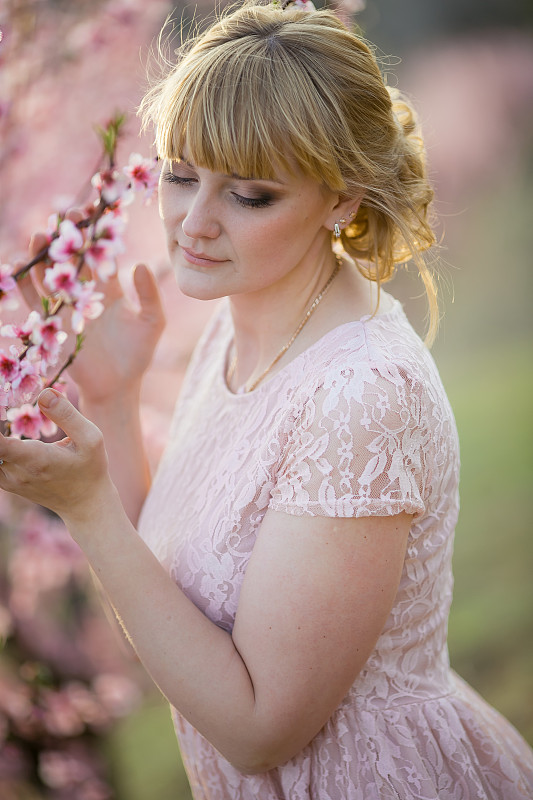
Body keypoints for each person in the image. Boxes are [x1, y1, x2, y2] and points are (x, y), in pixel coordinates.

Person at [1, 1, 533, 798]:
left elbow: (258, 729)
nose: (194, 224)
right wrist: (113, 400)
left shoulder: (361, 398)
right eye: (180, 176)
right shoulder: (242, 325)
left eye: (249, 196)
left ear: (343, 199)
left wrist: (86, 509)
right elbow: (172, 600)